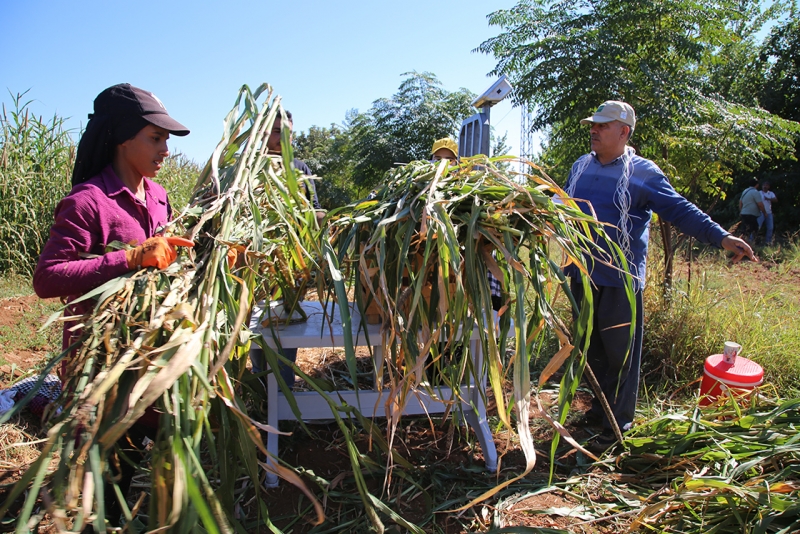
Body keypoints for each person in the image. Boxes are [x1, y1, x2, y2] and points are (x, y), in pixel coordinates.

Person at [33, 83, 191, 526]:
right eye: (155, 138)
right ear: (123, 138)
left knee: (149, 451)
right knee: (108, 474)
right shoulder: (89, 202)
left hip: (147, 353)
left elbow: (166, 259)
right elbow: (47, 278)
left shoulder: (157, 197)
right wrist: (128, 257)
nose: (164, 151)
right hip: (100, 366)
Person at [562, 100, 756, 452]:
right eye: (593, 124)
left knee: (621, 355)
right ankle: (598, 410)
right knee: (591, 351)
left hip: (620, 279)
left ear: (624, 132)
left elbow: (680, 210)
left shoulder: (642, 172)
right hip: (582, 277)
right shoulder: (579, 167)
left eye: (603, 125)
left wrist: (721, 236)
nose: (594, 129)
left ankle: (617, 428)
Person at [250, 111, 325, 388]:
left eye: (288, 133)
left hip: (290, 262)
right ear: (262, 134)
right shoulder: (250, 168)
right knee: (256, 326)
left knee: (286, 324)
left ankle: (283, 390)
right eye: (277, 131)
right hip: (254, 263)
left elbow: (314, 208)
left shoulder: (300, 169)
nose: (284, 139)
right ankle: (261, 384)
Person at [739, 177, 766, 245]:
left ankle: (742, 244)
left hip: (744, 213)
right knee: (755, 230)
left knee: (745, 230)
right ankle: (754, 245)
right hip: (751, 214)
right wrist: (764, 212)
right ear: (757, 185)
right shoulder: (755, 192)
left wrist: (741, 211)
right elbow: (760, 204)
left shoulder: (745, 191)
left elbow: (740, 202)